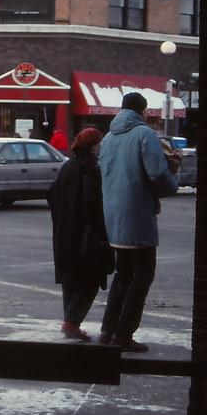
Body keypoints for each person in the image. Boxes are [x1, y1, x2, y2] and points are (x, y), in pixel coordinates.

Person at [97, 92, 179, 352]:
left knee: (123, 273)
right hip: (138, 215)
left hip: (114, 216)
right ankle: (124, 333)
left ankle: (108, 330)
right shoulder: (144, 135)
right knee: (143, 275)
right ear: (142, 111)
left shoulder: (108, 138)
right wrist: (172, 183)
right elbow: (156, 172)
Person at [47, 127, 113, 341]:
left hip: (64, 231)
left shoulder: (67, 166)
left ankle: (70, 320)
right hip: (84, 232)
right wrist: (100, 232)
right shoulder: (90, 168)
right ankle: (72, 321)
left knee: (70, 278)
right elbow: (92, 203)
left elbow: (52, 195)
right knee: (90, 278)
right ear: (94, 145)